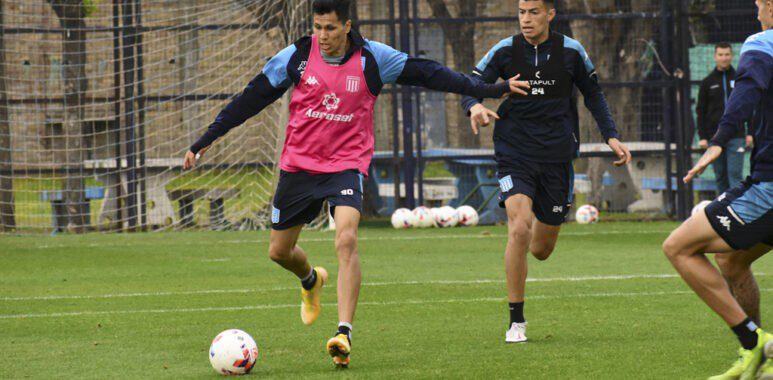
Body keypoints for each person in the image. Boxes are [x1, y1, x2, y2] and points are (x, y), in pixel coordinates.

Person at [183, 0, 529, 368]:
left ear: (347, 25)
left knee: (346, 238)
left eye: (330, 28)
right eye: (317, 27)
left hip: (346, 166)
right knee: (279, 252)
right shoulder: (298, 56)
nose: (323, 36)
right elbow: (252, 97)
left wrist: (490, 89)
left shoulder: (373, 59)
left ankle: (343, 333)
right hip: (299, 166)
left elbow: (430, 73)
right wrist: (207, 139)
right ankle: (310, 278)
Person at [460, 0, 631, 343]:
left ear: (550, 14)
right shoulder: (505, 50)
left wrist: (611, 135)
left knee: (540, 249)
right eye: (522, 12)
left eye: (534, 12)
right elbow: (470, 84)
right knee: (519, 227)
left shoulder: (571, 51)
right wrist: (475, 105)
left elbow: (593, 94)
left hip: (556, 157)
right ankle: (516, 322)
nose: (526, 19)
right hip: (514, 153)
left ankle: (545, 215)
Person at [662, 0, 773, 378]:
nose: (757, 11)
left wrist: (719, 139)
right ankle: (760, 358)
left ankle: (752, 341)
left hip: (770, 187)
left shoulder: (762, 43)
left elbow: (747, 90)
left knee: (678, 246)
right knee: (732, 260)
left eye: (759, 4)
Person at [696, 42, 754, 194]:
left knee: (735, 175)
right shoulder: (707, 82)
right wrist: (703, 137)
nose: (724, 58)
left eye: (727, 54)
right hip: (714, 138)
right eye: (720, 55)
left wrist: (750, 133)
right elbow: (700, 112)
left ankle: (738, 212)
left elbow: (748, 107)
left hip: (737, 136)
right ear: (715, 56)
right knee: (720, 176)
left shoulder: (740, 79)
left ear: (732, 56)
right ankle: (722, 213)